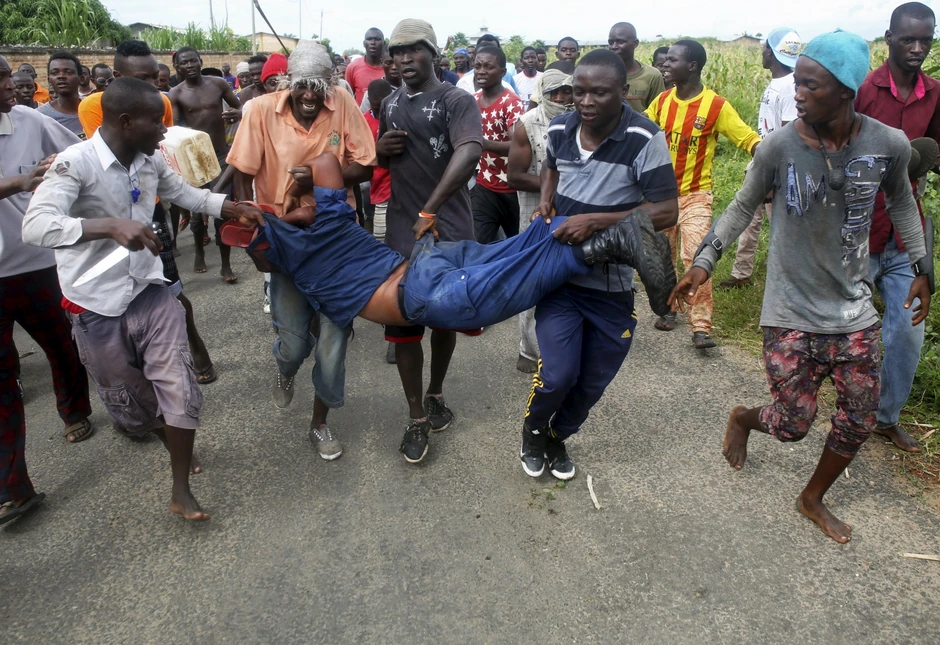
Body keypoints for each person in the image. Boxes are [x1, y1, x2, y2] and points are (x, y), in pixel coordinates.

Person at [671, 30, 933, 544]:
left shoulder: (889, 145)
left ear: (844, 90)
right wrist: (705, 260)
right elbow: (743, 206)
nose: (798, 93)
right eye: (798, 83)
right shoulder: (779, 147)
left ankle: (812, 497)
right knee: (793, 423)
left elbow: (902, 201)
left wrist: (924, 264)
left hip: (854, 310)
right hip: (789, 309)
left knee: (859, 416)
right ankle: (746, 418)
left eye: (809, 85)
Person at [23, 78, 263, 521]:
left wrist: (231, 207)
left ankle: (180, 489)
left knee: (178, 382)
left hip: (150, 292)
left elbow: (184, 194)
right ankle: (167, 438)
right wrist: (108, 226)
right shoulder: (73, 165)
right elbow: (36, 226)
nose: (165, 130)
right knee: (129, 400)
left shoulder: (150, 158)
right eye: (159, 121)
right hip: (95, 303)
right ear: (126, 121)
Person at [516, 49, 678, 481]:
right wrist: (547, 197)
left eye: (599, 93)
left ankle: (558, 437)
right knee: (557, 374)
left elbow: (665, 211)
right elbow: (550, 165)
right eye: (579, 91)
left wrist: (597, 221)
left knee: (592, 383)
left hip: (612, 281)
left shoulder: (644, 137)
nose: (585, 102)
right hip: (562, 274)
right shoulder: (560, 125)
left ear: (623, 92)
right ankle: (533, 433)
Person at [226, 40, 375, 461]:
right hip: (286, 239)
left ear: (330, 83)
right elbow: (241, 173)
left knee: (333, 340)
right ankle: (286, 371)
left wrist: (318, 182)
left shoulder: (341, 102)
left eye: (319, 87)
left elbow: (365, 163)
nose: (311, 96)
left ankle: (320, 424)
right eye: (302, 86)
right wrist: (248, 226)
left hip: (335, 238)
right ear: (287, 82)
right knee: (293, 344)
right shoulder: (258, 110)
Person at [77, 39, 218, 387]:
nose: (155, 84)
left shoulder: (161, 102)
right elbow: (109, 151)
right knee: (121, 303)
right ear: (118, 79)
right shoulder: (94, 107)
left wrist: (220, 203)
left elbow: (160, 148)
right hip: (105, 221)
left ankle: (191, 347)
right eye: (144, 78)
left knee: (169, 288)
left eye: (156, 76)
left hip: (150, 208)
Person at [376, 19, 484, 463]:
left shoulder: (455, 100)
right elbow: (374, 162)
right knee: (403, 327)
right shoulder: (391, 103)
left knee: (444, 318)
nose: (403, 60)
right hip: (403, 232)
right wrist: (379, 150)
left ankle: (436, 392)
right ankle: (417, 415)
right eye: (396, 53)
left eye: (412, 51)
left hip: (448, 230)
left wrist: (431, 209)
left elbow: (470, 151)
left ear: (433, 54)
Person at [0, 55, 95, 526]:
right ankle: (12, 486)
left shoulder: (29, 120)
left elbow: (80, 150)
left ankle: (75, 410)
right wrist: (16, 181)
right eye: (1, 78)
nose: (11, 85)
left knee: (62, 346)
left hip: (35, 265)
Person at [855, 1, 940, 453]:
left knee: (908, 330)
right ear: (888, 38)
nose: (917, 47)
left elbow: (935, 154)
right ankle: (807, 400)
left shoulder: (935, 92)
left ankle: (885, 418)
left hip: (907, 234)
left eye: (926, 39)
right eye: (908, 38)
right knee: (840, 326)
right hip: (858, 231)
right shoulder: (862, 90)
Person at [646, 39, 760, 348]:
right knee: (663, 256)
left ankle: (701, 326)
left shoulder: (716, 106)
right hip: (661, 197)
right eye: (664, 60)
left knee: (694, 256)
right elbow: (640, 131)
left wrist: (772, 162)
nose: (665, 65)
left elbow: (747, 138)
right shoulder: (662, 102)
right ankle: (669, 309)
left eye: (672, 60)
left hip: (697, 195)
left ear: (692, 66)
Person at [719, 28, 800, 291]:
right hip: (763, 161)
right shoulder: (777, 82)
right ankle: (741, 273)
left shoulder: (788, 86)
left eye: (764, 48)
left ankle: (787, 282)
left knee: (782, 228)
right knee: (749, 221)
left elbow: (789, 136)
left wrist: (773, 178)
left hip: (775, 168)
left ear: (771, 52)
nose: (762, 53)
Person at [507, 69, 573, 373]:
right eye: (553, 93)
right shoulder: (527, 123)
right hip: (536, 215)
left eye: (566, 92)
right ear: (542, 94)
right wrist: (556, 189)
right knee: (533, 283)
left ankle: (561, 349)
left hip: (575, 216)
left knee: (569, 282)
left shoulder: (583, 120)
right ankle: (528, 350)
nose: (560, 98)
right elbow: (516, 176)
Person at [170, 46, 242, 282]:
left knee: (222, 208)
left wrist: (234, 113)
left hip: (220, 154)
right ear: (177, 67)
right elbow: (173, 128)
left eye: (193, 61)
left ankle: (225, 264)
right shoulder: (176, 93)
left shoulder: (218, 84)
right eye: (184, 63)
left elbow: (237, 105)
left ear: (201, 61)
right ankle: (200, 252)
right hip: (195, 159)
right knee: (197, 211)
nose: (189, 65)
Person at [472, 46, 525, 244]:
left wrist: (485, 144)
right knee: (477, 243)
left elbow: (519, 145)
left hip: (512, 189)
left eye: (488, 66)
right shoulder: (473, 100)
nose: (481, 71)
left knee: (518, 245)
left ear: (502, 72)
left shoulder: (511, 103)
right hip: (484, 185)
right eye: (477, 66)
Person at [608, 22, 665, 111]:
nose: (614, 46)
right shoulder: (601, 74)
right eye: (611, 42)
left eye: (620, 42)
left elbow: (658, 112)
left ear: (635, 43)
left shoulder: (652, 76)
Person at [364, 78, 394, 242]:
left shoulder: (399, 116)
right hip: (378, 185)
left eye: (384, 106)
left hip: (401, 185)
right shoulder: (363, 122)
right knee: (380, 239)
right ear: (368, 100)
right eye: (376, 108)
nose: (381, 112)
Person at [37, 51, 86, 139]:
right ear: (49, 80)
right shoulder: (40, 117)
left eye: (68, 72)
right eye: (54, 73)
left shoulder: (93, 110)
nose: (61, 76)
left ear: (81, 78)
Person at [346, 28, 387, 105]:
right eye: (369, 39)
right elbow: (347, 98)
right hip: (360, 116)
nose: (373, 42)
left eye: (377, 39)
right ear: (364, 43)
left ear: (384, 43)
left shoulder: (391, 68)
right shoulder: (352, 67)